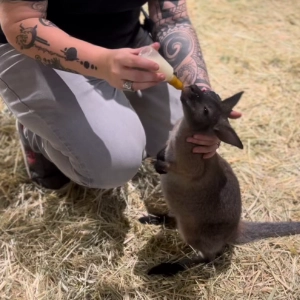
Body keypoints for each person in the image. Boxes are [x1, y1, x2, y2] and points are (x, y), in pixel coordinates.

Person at [0, 0, 241, 190]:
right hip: (36, 48)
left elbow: (172, 18)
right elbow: (21, 20)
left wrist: (203, 94)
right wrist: (103, 63)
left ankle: (107, 105)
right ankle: (36, 134)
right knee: (111, 165)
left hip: (122, 39)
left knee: (184, 144)